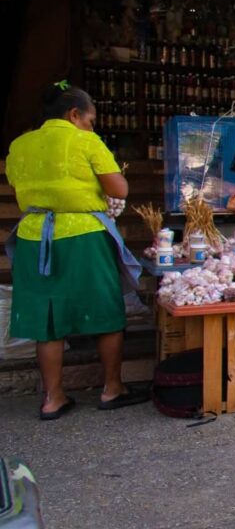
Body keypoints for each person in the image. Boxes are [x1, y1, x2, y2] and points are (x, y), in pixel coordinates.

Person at [5, 82, 149, 420]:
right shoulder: (85, 141)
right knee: (106, 311)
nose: (91, 127)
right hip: (83, 235)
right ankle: (112, 388)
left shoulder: (20, 145)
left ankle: (53, 398)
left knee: (47, 320)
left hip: (33, 237)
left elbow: (17, 185)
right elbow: (119, 188)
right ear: (74, 115)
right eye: (90, 120)